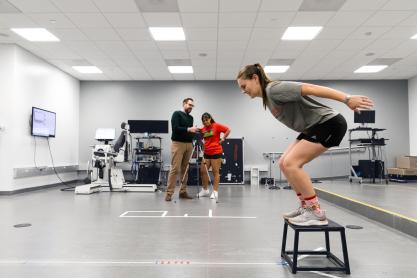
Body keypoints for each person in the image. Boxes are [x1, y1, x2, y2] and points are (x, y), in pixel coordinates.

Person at [236, 64, 373, 226]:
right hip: (314, 126)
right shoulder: (268, 96)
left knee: (292, 163)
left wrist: (347, 98)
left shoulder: (274, 89)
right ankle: (305, 206)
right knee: (283, 163)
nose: (244, 91)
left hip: (329, 123)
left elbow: (310, 88)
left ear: (255, 78)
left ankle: (315, 212)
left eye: (244, 86)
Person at [165, 98, 199, 202]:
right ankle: (169, 194)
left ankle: (183, 192)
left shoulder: (191, 118)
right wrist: (189, 129)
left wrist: (195, 131)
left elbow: (188, 132)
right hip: (178, 144)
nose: (191, 107)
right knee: (175, 169)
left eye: (192, 106)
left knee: (185, 170)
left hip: (189, 145)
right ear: (184, 104)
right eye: (189, 105)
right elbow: (176, 128)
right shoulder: (177, 114)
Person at [197, 112, 231, 199]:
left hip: (216, 152)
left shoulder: (216, 126)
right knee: (203, 171)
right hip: (206, 153)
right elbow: (200, 137)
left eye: (206, 120)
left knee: (215, 172)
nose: (205, 122)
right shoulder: (203, 129)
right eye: (203, 121)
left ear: (210, 119)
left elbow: (228, 130)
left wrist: (223, 139)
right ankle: (205, 190)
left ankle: (215, 192)